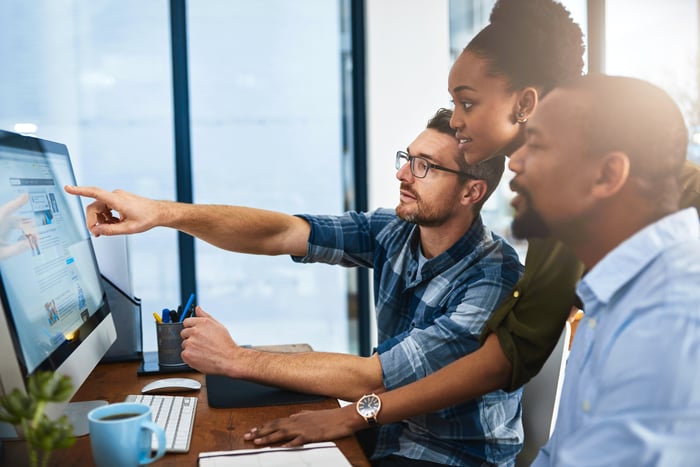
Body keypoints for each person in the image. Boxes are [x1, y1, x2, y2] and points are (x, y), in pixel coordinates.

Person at [241, 0, 700, 452]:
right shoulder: (572, 223)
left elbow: (507, 358)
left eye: (466, 102)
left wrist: (355, 411)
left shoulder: (643, 283)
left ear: (525, 105)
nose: (457, 120)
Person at [65, 108, 526, 466]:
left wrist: (235, 359)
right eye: (408, 159)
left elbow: (374, 375)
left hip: (451, 456)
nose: (403, 175)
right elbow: (281, 232)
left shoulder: (493, 277)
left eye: (425, 166)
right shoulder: (396, 231)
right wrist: (164, 214)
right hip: (385, 428)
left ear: (472, 193)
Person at [513, 74, 700, 465]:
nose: (515, 162)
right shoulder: (616, 293)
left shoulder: (672, 314)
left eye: (537, 144)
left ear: (607, 176)